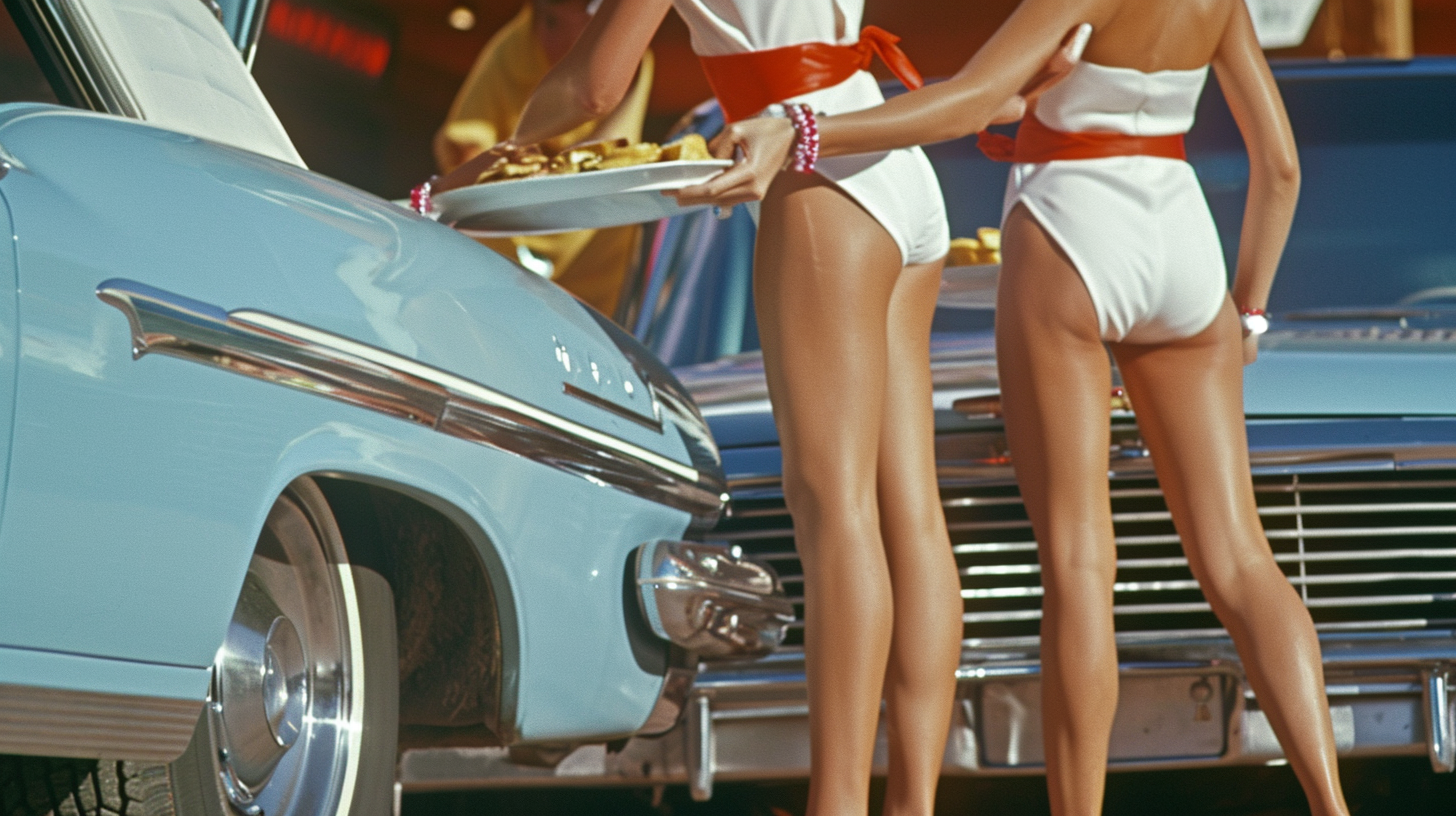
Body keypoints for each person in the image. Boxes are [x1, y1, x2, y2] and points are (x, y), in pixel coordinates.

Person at [676, 1, 1352, 815]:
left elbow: (966, 104)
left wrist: (807, 132)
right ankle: (1329, 802)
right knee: (1244, 559)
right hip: (1184, 235)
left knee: (1078, 563)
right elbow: (1280, 167)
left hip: (1072, 223)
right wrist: (1249, 311)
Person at [432, 3, 1075, 814]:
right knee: (911, 519)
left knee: (834, 511)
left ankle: (836, 802)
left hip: (818, 173)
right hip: (892, 158)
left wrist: (504, 151)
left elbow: (593, 87)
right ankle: (912, 801)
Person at [434, 0, 654, 315]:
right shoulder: (514, 44)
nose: (561, 43)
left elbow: (596, 112)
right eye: (551, 23)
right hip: (496, 250)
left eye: (585, 27)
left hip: (589, 268)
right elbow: (467, 143)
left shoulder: (631, 57)